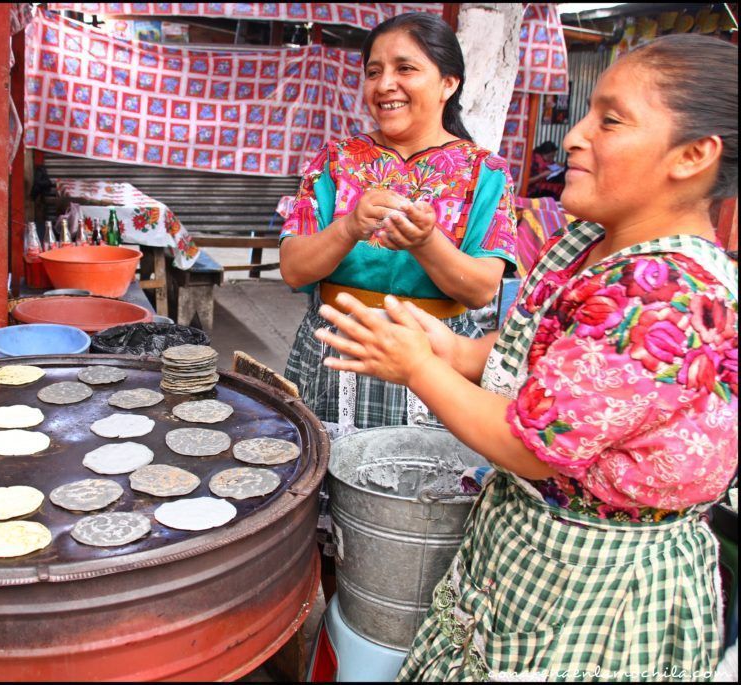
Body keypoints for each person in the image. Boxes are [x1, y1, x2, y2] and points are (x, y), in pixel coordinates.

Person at [315, 33, 737, 680]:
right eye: (587, 112)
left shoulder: (664, 292)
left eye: (611, 120)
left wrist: (421, 368)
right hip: (529, 543)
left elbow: (535, 445)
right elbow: (534, 349)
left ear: (693, 155)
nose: (573, 136)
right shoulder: (593, 243)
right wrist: (455, 350)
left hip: (596, 581)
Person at [278, 12, 517, 430]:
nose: (385, 84)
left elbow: (481, 290)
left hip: (432, 357)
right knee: (322, 478)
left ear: (449, 82)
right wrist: (349, 226)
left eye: (405, 68)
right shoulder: (335, 161)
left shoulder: (485, 172)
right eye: (374, 72)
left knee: (413, 483)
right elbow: (294, 270)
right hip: (333, 352)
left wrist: (426, 243)